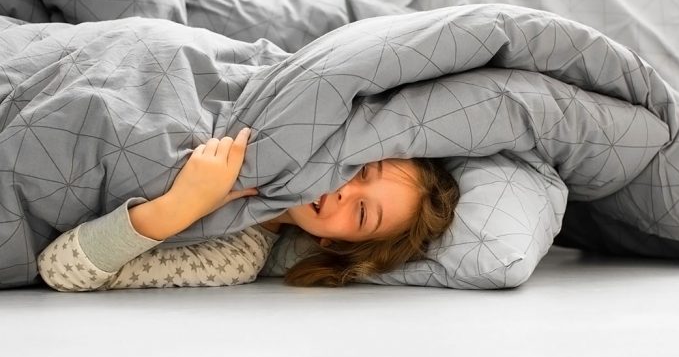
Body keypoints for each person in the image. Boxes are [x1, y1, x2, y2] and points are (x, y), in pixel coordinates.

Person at [37, 128, 460, 291]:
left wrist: (182, 205)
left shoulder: (234, 256)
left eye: (362, 214)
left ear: (334, 242)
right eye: (361, 169)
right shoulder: (292, 122)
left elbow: (59, 268)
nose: (342, 190)